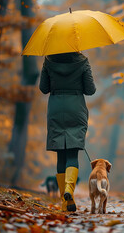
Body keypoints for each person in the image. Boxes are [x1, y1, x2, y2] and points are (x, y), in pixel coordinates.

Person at [39, 52, 96, 212]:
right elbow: (90, 90)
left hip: (56, 108)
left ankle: (65, 201)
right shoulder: (83, 61)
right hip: (75, 108)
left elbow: (43, 88)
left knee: (60, 154)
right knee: (72, 153)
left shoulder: (49, 60)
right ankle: (70, 191)